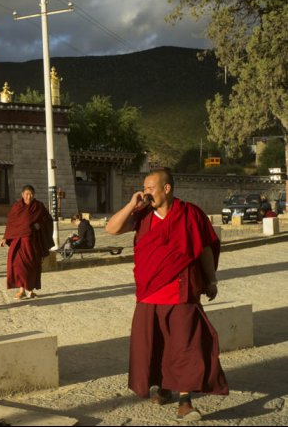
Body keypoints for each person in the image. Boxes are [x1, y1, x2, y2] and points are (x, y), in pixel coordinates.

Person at [104, 168, 228, 421]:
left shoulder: (190, 213)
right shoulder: (142, 215)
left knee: (186, 346)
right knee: (155, 345)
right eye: (144, 187)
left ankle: (185, 401)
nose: (146, 192)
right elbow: (112, 229)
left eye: (150, 187)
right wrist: (131, 204)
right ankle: (163, 387)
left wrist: (211, 280)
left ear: (167, 188)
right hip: (150, 293)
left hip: (182, 292)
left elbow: (204, 248)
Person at [0, 185, 54, 300]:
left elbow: (48, 220)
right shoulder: (16, 207)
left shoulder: (38, 206)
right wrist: (5, 237)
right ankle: (21, 290)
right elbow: (11, 223)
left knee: (32, 266)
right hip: (19, 243)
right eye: (26, 194)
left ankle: (30, 290)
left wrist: (40, 225)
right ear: (22, 194)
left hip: (33, 242)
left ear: (34, 195)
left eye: (31, 194)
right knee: (18, 266)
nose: (29, 196)